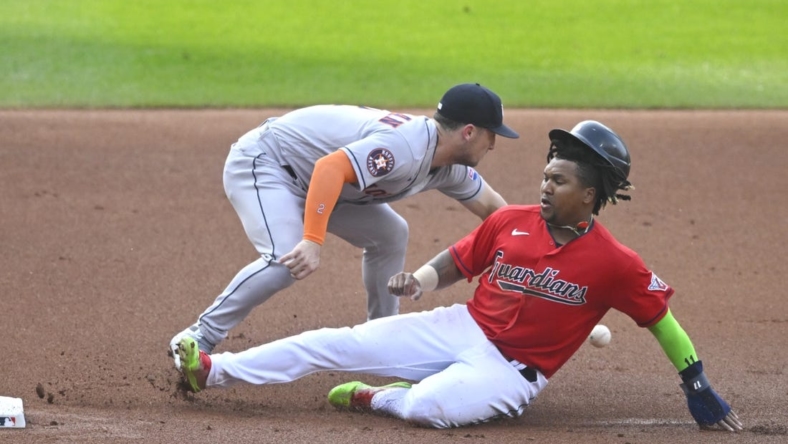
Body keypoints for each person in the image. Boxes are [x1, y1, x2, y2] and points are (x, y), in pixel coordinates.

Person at [175, 120, 742, 432]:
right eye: (545, 175)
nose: (544, 186)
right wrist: (421, 282)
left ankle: (381, 399)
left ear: (589, 195)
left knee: (429, 410)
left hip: (513, 373)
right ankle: (213, 368)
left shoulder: (616, 263)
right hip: (461, 327)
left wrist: (696, 382)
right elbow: (459, 258)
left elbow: (661, 321)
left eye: (559, 181)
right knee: (337, 343)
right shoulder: (512, 221)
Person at [168, 83, 520, 369]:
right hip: (270, 163)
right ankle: (200, 334)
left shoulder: (449, 164)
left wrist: (533, 245)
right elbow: (329, 169)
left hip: (322, 185)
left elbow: (494, 209)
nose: (494, 144)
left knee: (390, 234)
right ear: (469, 132)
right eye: (492, 135)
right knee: (285, 259)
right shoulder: (403, 147)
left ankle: (381, 339)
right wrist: (311, 239)